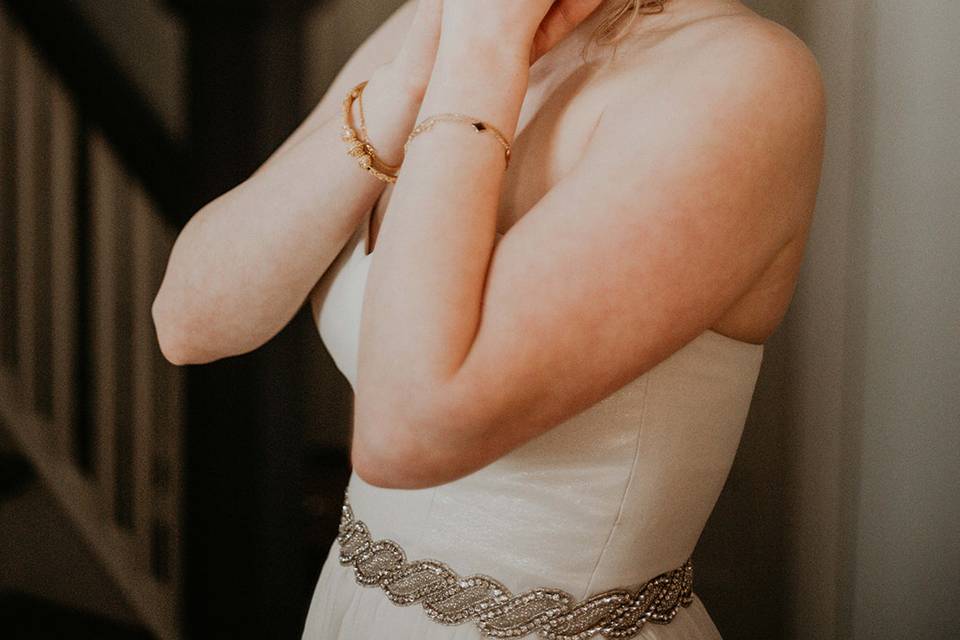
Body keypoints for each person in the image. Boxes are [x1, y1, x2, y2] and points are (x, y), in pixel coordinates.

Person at [152, 0, 825, 637]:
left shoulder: (740, 78)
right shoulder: (448, 17)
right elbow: (191, 321)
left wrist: (479, 59)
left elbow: (406, 434)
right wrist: (410, 81)